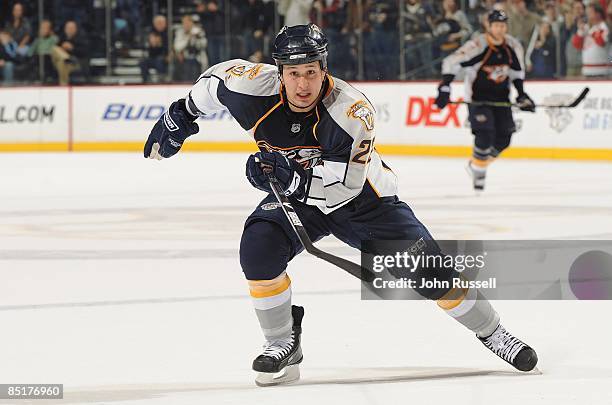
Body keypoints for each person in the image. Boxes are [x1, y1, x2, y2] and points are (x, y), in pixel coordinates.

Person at [144, 23, 538, 386]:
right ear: (279, 71)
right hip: (299, 197)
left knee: (431, 273)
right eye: (294, 73)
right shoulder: (248, 86)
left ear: (324, 69)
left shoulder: (350, 110)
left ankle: (493, 332)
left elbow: (345, 188)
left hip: (365, 202)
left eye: (311, 72)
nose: (302, 84)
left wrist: (289, 178)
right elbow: (210, 85)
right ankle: (284, 343)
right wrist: (180, 116)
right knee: (258, 248)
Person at [435, 10, 536, 192]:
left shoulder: (513, 46)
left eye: (503, 25)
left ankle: (476, 165)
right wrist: (445, 87)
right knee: (484, 135)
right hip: (478, 99)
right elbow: (451, 62)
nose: (500, 29)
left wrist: (522, 95)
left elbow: (516, 73)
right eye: (496, 25)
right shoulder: (478, 45)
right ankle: (479, 178)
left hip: (501, 99)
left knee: (504, 138)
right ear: (488, 26)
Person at [571, 3, 610, 77]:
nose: (587, 15)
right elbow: (576, 45)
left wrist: (590, 31)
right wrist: (580, 32)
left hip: (601, 71)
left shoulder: (604, 27)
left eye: (590, 12)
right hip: (587, 70)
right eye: (587, 13)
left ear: (598, 14)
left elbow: (601, 42)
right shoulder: (586, 27)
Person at [51, 20, 89, 85]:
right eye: (68, 28)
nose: (70, 30)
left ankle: (63, 85)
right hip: (63, 61)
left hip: (76, 63)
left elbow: (85, 52)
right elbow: (55, 51)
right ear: (65, 29)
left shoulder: (81, 39)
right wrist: (62, 48)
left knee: (61, 63)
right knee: (54, 49)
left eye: (72, 28)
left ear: (76, 29)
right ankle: (66, 58)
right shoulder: (62, 39)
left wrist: (72, 48)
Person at [173, 15, 208, 82]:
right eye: (184, 23)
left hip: (198, 58)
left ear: (192, 22)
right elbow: (177, 47)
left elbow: (203, 44)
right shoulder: (180, 32)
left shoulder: (198, 31)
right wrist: (189, 38)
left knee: (193, 64)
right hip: (184, 59)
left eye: (187, 22)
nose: (186, 25)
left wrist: (196, 38)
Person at [140, 15, 168, 83]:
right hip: (153, 57)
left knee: (160, 61)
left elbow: (169, 47)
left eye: (161, 23)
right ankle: (146, 81)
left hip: (164, 57)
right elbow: (148, 49)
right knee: (143, 62)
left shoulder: (168, 33)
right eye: (157, 23)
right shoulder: (151, 33)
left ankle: (161, 80)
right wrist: (152, 44)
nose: (159, 25)